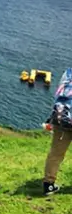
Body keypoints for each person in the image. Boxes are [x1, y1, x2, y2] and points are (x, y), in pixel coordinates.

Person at [43, 68, 72, 196]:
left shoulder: (68, 73)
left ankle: (48, 184)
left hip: (61, 119)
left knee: (55, 153)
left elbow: (58, 95)